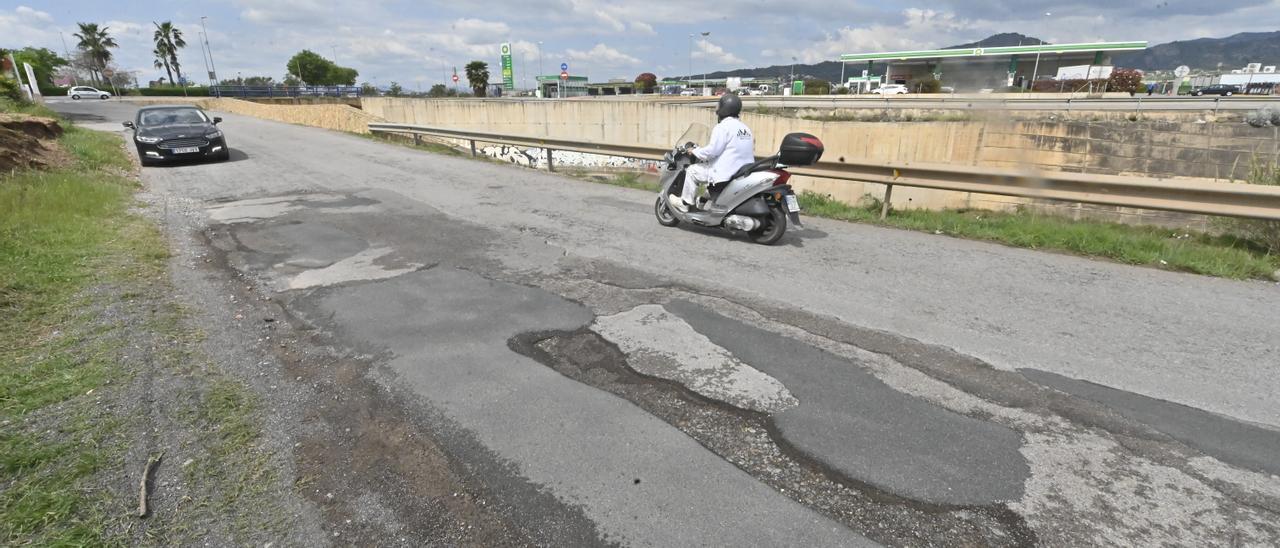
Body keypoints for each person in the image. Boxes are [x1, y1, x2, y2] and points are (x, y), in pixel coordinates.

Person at [676, 92, 754, 212]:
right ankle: (702, 200)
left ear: (724, 109)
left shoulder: (722, 127)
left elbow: (712, 151)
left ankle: (685, 202)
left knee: (692, 171)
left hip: (727, 172)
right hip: (742, 171)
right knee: (712, 172)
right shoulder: (745, 128)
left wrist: (695, 151)